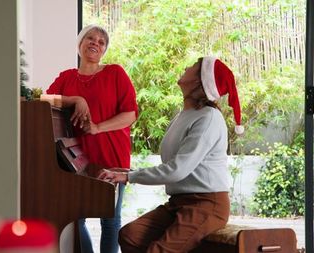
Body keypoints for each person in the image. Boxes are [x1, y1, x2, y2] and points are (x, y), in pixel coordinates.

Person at [98, 56, 244, 253]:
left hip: (207, 204)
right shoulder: (183, 115)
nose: (186, 67)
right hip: (178, 203)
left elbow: (177, 170)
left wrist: (129, 176)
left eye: (193, 66)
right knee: (130, 235)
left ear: (199, 81)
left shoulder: (209, 118)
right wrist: (126, 172)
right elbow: (174, 165)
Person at [45, 24, 138, 253]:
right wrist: (75, 99)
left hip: (111, 157)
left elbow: (130, 115)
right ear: (80, 43)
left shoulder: (115, 73)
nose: (95, 43)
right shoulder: (67, 77)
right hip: (76, 161)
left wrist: (97, 127)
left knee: (110, 221)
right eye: (90, 38)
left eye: (101, 41)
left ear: (104, 50)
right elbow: (45, 98)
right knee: (77, 219)